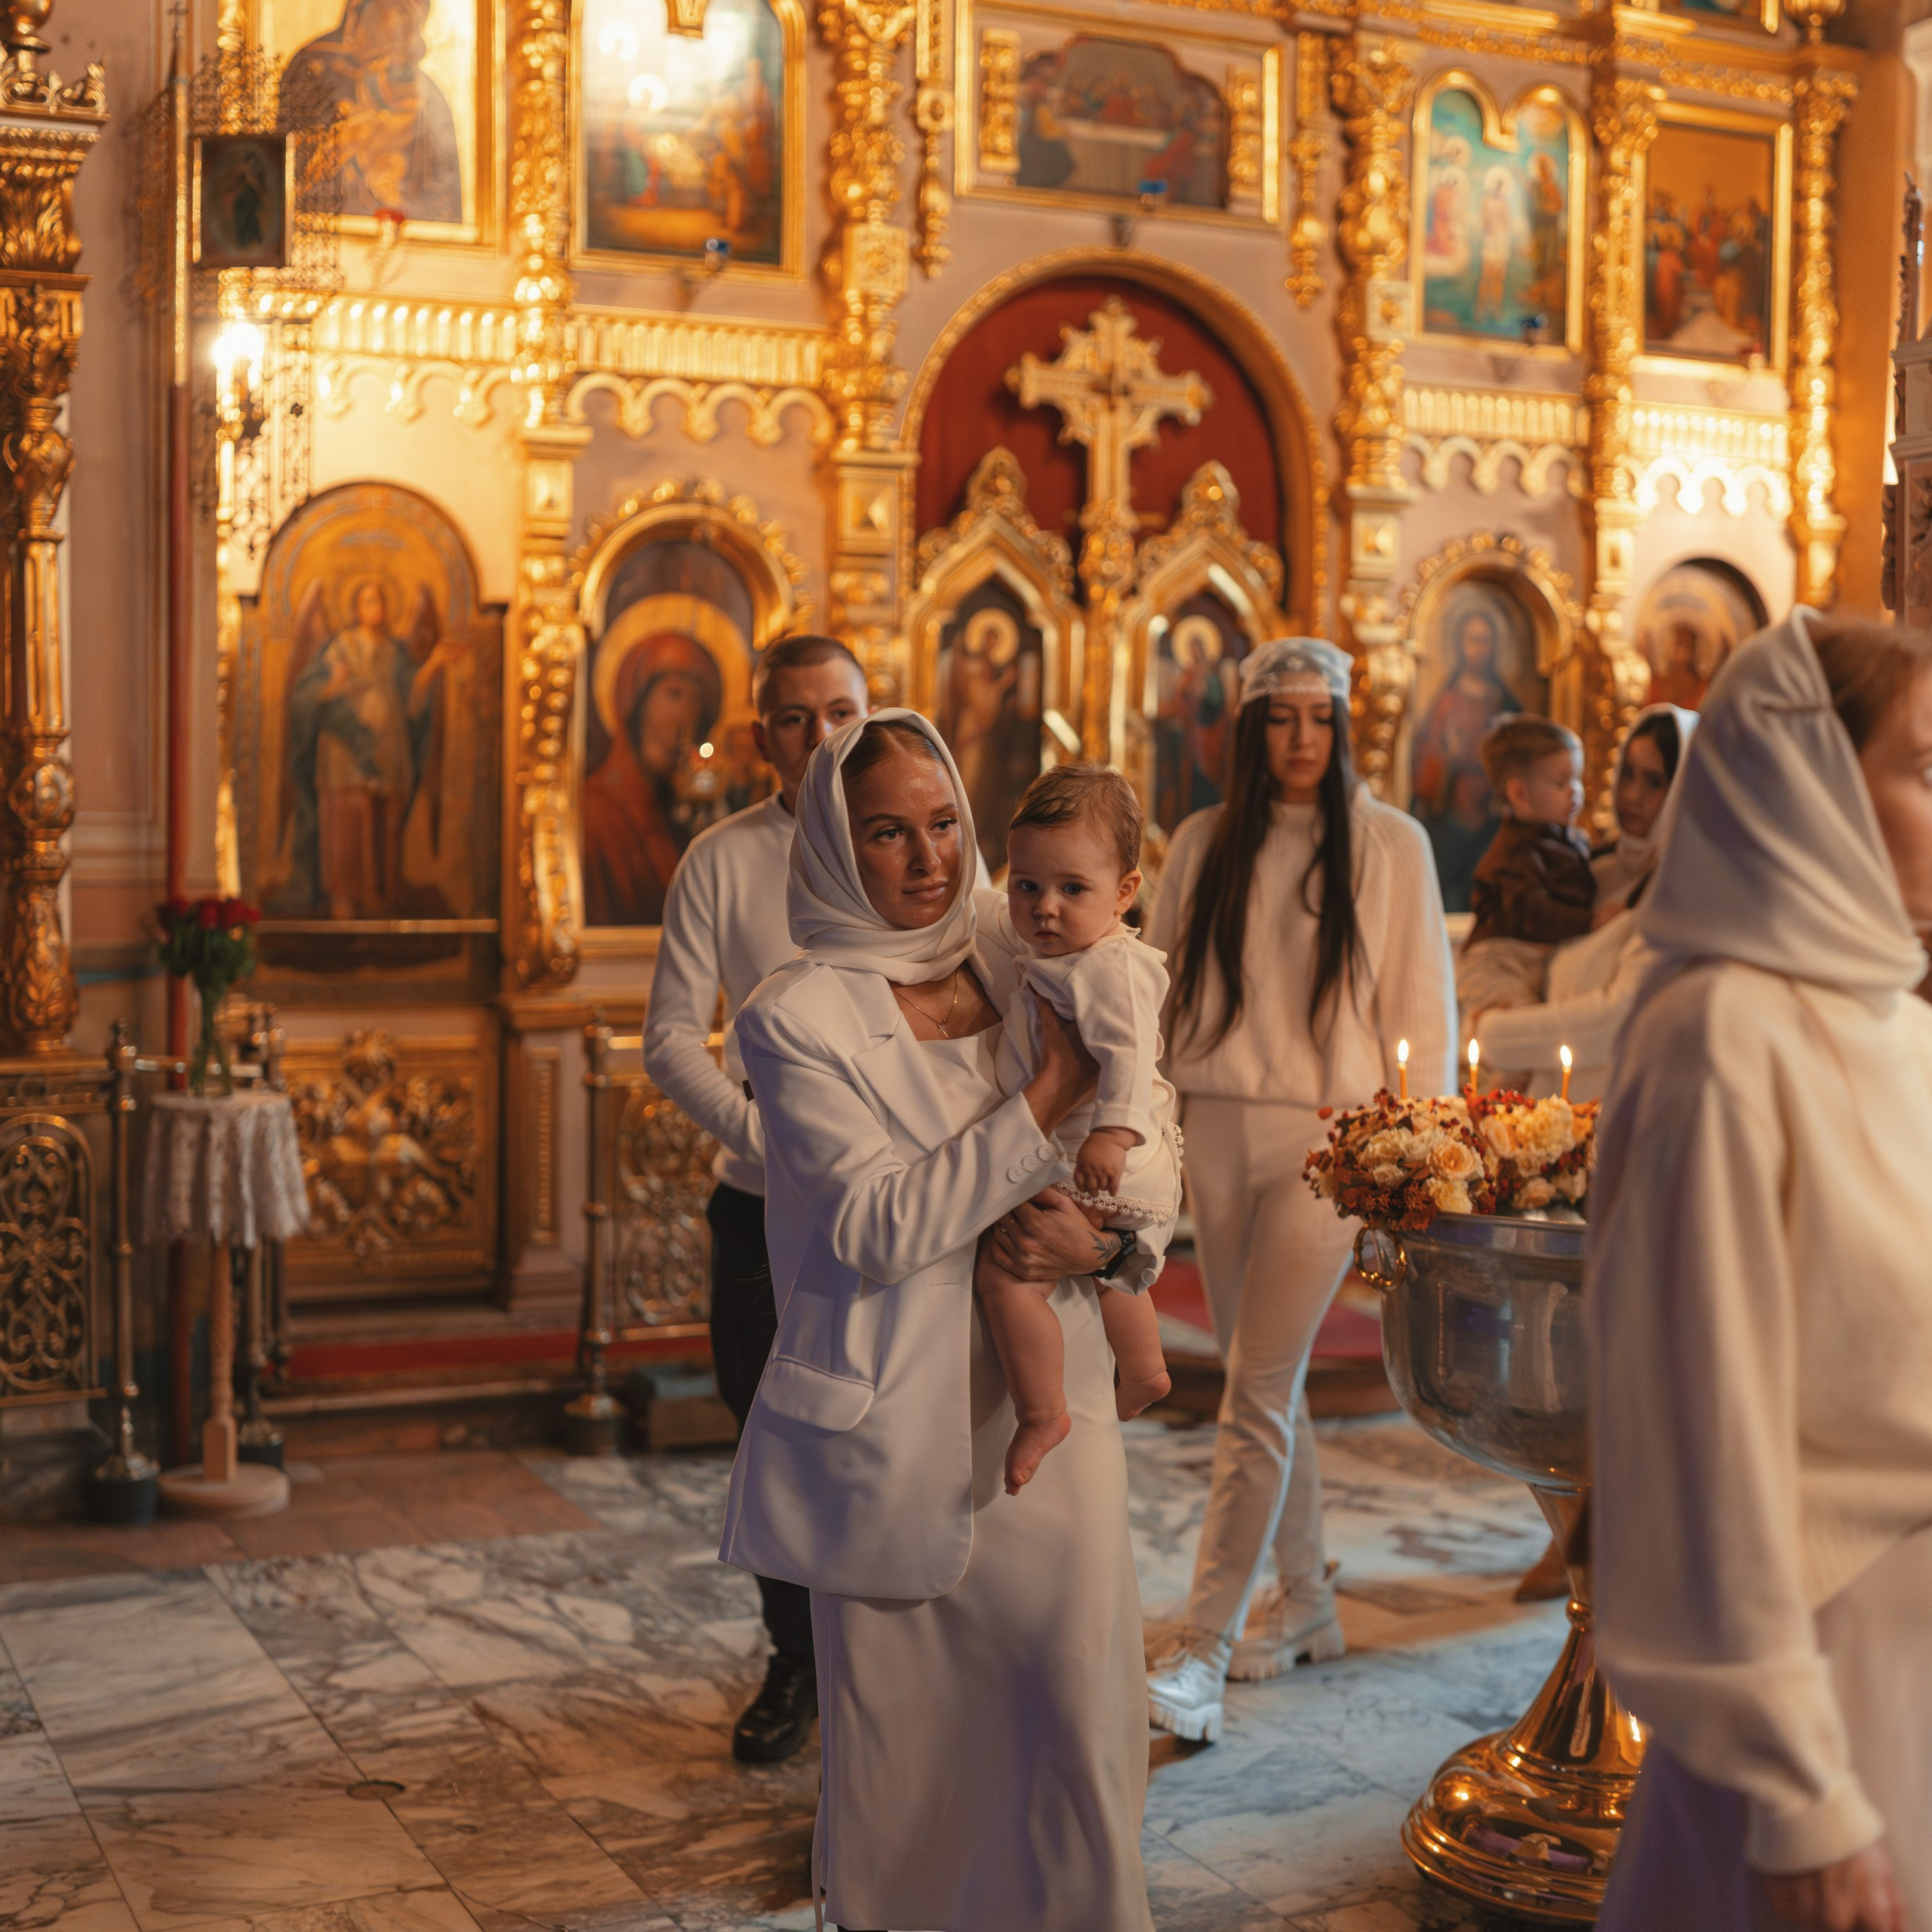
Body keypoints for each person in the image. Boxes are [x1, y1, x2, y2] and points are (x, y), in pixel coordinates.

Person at [724, 711, 1169, 1932]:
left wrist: (1117, 1240)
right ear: (832, 842)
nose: (927, 859)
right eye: (887, 832)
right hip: (896, 1434)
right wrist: (1042, 1101)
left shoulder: (1021, 935)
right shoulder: (793, 1015)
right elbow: (871, 1224)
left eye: (941, 825)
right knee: (910, 1778)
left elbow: (1151, 1111)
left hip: (1054, 1405)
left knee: (1078, 1731)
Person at [1589, 611, 1932, 1932]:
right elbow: (1700, 1436)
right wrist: (1799, 1791)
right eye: (1926, 767)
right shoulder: (1720, 1034)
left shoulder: (1896, 1019)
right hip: (1839, 1702)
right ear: (1813, 783)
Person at [1143, 637, 1457, 1742]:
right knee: (1256, 1381)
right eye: (1281, 720)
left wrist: (1418, 1165)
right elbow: (1161, 988)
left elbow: (1425, 1008)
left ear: (1344, 724)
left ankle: (1204, 1652)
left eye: (1319, 719)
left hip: (1333, 1144)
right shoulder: (1202, 842)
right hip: (1216, 1129)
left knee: (1257, 1391)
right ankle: (1311, 1604)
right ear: (1248, 729)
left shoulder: (1390, 844)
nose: (1302, 741)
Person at [641, 633, 869, 1764]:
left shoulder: (917, 847)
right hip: (759, 1203)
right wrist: (760, 1136)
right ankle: (794, 1661)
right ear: (761, 731)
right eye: (795, 718)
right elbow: (672, 1038)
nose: (821, 738)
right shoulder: (722, 859)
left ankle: (881, 1665)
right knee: (773, 1438)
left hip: (892, 1213)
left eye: (840, 712)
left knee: (881, 1434)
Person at [977, 764, 1177, 1494]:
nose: (1044, 908)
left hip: (1110, 1152)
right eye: (1026, 886)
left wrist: (1111, 1136)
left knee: (1009, 1276)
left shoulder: (1108, 968)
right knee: (1102, 1274)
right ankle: (1148, 1371)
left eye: (1072, 889)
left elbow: (1129, 1054)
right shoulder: (1066, 956)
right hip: (1102, 1150)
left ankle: (1042, 1412)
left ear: (1126, 891)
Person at [1473, 703, 1697, 1107]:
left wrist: (1494, 1033)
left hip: (1605, 1120)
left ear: (1684, 786)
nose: (1631, 794)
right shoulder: (1594, 868)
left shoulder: (1683, 895)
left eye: (1654, 782)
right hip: (1539, 1119)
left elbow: (1617, 1019)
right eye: (1626, 773)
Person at [1456, 715, 1595, 1037]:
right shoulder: (1513, 855)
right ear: (1519, 793)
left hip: (1523, 966)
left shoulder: (1559, 838)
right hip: (1495, 967)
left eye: (1577, 780)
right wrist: (1590, 920)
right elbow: (1534, 912)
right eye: (1561, 783)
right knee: (1522, 1040)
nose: (1576, 792)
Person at [1411, 605, 1524, 912]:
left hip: (1492, 816)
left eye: (1485, 640)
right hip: (1452, 816)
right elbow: (1426, 765)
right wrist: (1449, 757)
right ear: (1460, 644)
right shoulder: (1447, 701)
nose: (1478, 649)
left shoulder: (1505, 703)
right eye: (1472, 639)